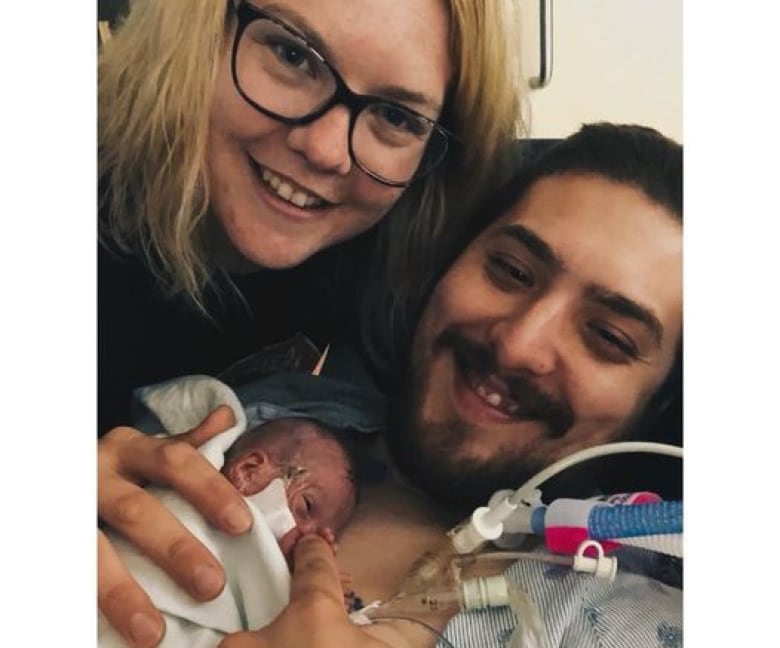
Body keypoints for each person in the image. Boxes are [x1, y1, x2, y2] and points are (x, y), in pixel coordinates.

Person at [98, 122, 683, 647]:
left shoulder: (620, 616)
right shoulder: (264, 408)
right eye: (511, 271)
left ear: (661, 406)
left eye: (608, 336)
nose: (517, 343)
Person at [98, 0, 525, 434]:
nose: (326, 150)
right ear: (197, 30)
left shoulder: (384, 262)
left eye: (396, 116)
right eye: (292, 55)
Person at [99, 370, 380, 647]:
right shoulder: (185, 487)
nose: (310, 540)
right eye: (305, 506)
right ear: (249, 471)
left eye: (324, 533)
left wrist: (321, 597)